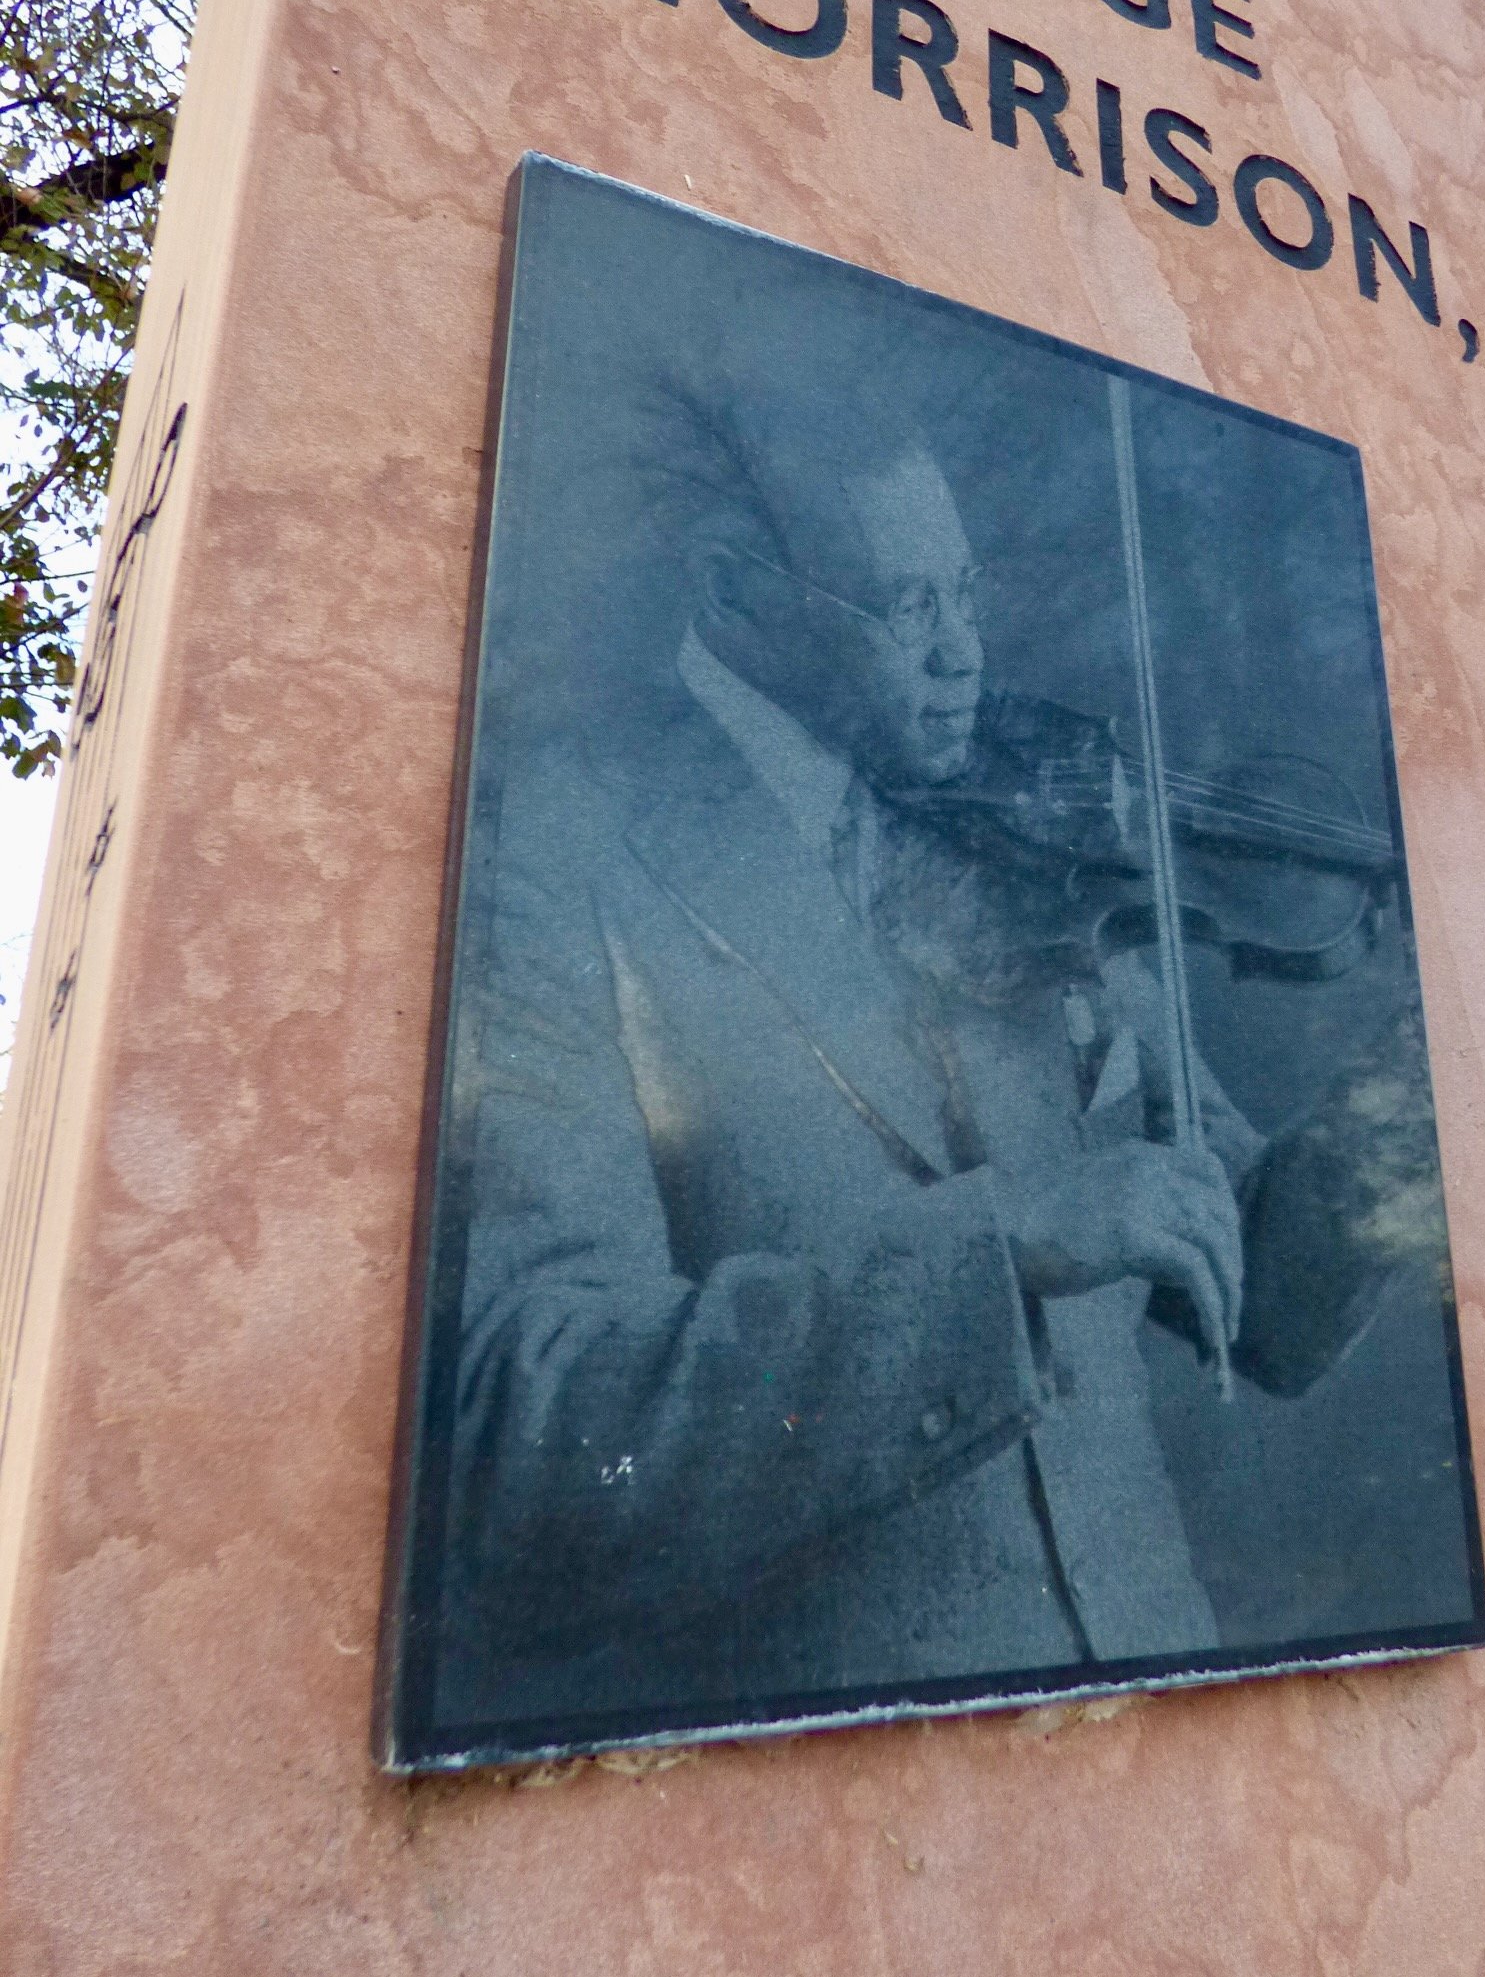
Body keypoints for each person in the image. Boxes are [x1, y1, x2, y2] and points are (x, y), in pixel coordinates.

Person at [440, 399, 1403, 1730]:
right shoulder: (561, 847)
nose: (964, 659)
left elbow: (1266, 1301)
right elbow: (527, 1423)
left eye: (967, 598)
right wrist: (1001, 1247)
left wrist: (1401, 1106)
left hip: (1163, 1715)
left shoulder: (1020, 849)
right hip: (841, 1791)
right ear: (736, 591)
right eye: (907, 609)